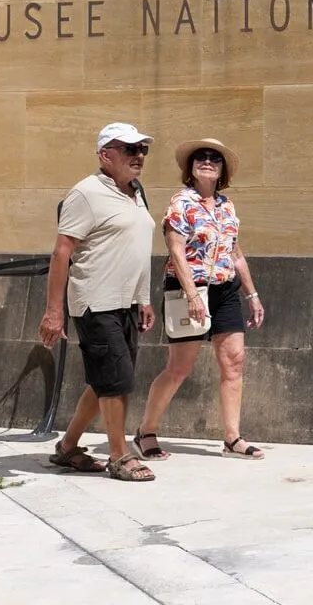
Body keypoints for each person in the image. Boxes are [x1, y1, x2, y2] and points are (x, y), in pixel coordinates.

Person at [133, 137, 267, 460]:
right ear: (191, 168)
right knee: (179, 368)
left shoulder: (227, 206)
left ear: (222, 170)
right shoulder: (181, 202)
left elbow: (234, 253)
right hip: (186, 290)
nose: (207, 161)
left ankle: (232, 438)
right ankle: (145, 432)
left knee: (234, 361)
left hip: (224, 291)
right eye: (200, 157)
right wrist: (192, 294)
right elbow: (175, 249)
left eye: (214, 158)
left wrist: (253, 294)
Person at [38, 122, 158, 483]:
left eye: (143, 150)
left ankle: (68, 448)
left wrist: (144, 299)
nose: (138, 157)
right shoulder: (86, 193)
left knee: (106, 379)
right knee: (115, 382)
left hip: (126, 304)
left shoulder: (136, 192)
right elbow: (62, 253)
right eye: (129, 149)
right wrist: (53, 312)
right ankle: (119, 456)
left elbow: (136, 248)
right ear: (106, 155)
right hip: (96, 302)